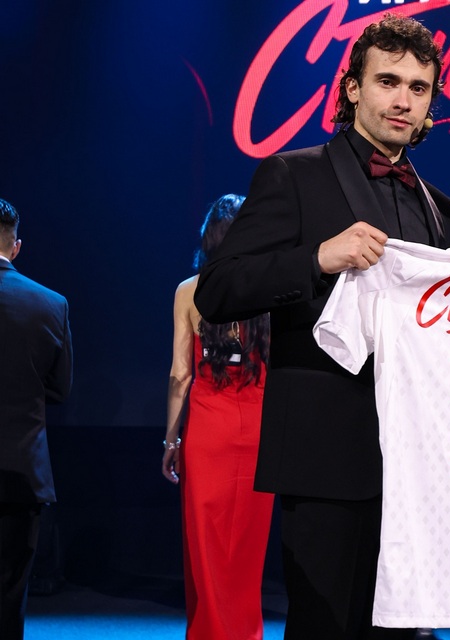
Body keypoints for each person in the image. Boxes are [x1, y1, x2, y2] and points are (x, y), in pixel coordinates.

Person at [193, 14, 450, 640]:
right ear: (353, 88)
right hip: (324, 454)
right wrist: (316, 259)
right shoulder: (294, 173)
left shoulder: (441, 207)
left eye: (418, 88)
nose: (403, 100)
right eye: (388, 81)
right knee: (324, 626)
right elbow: (218, 290)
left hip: (416, 466)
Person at [162, 194, 275, 639]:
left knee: (206, 545)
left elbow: (180, 375)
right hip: (259, 430)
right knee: (247, 547)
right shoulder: (272, 290)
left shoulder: (189, 291)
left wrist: (171, 440)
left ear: (208, 237)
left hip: (208, 432)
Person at [0, 198, 73, 639]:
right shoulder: (50, 304)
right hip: (22, 470)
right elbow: (60, 391)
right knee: (10, 591)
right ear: (16, 246)